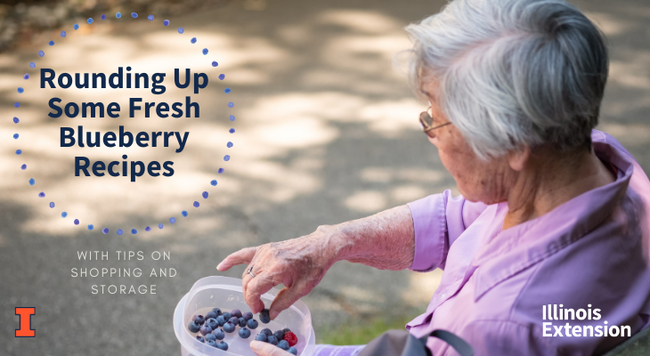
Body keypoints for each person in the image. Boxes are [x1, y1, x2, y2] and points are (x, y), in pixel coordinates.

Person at [217, 0, 650, 354]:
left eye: (437, 122)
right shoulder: (590, 162)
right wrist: (331, 242)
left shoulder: (496, 327)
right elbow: (459, 221)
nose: (430, 134)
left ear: (515, 144)